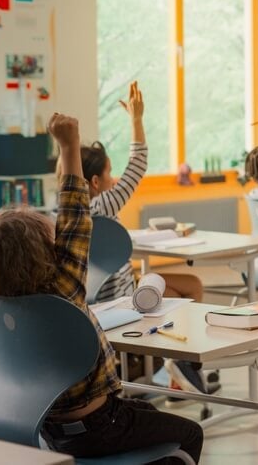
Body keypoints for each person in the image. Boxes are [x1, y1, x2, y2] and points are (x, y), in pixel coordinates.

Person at [0, 112, 203, 462]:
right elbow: (76, 216)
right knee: (190, 433)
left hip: (45, 426)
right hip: (98, 425)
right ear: (44, 256)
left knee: (145, 412)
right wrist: (68, 144)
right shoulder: (63, 289)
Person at [80, 82, 208, 395]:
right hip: (121, 299)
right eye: (109, 174)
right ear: (95, 181)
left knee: (184, 286)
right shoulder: (103, 203)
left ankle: (171, 362)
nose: (114, 179)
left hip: (101, 299)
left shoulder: (70, 210)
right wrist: (136, 120)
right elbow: (138, 165)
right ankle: (179, 359)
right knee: (192, 286)